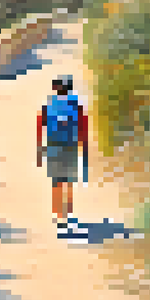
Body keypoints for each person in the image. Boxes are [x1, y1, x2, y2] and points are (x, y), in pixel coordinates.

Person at [37, 74, 88, 238]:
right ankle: (69, 215)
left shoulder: (48, 105)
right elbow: (83, 128)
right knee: (69, 182)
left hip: (53, 147)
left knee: (56, 183)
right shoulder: (76, 105)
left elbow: (40, 126)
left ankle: (58, 217)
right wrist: (83, 148)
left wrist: (40, 149)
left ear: (55, 89)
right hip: (70, 147)